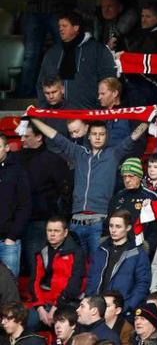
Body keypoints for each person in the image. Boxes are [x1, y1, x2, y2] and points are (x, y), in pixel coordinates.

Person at [30, 116, 148, 258]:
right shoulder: (79, 153)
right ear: (88, 136)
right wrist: (34, 119)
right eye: (94, 134)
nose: (98, 137)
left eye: (102, 134)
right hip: (75, 224)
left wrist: (148, 119)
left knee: (97, 268)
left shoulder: (113, 154)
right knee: (74, 270)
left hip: (99, 224)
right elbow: (55, 136)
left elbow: (133, 137)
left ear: (106, 137)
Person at [37, 12, 117, 110]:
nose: (60, 29)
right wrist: (45, 108)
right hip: (57, 115)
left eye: (64, 26)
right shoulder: (52, 53)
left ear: (76, 28)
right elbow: (41, 83)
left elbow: (110, 81)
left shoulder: (97, 50)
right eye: (59, 26)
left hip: (89, 113)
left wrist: (100, 108)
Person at [20, 122, 69, 276]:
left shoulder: (53, 161)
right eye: (21, 135)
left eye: (26, 136)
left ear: (39, 137)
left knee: (36, 266)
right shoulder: (15, 159)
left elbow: (65, 191)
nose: (22, 139)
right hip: (16, 221)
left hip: (40, 221)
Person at [87, 210, 152, 313]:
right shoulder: (101, 249)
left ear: (128, 228)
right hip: (98, 308)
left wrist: (126, 306)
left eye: (118, 227)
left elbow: (142, 284)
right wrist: (90, 301)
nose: (113, 230)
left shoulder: (137, 252)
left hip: (122, 309)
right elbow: (91, 278)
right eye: (111, 226)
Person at [28, 215, 85, 324]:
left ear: (65, 232)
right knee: (26, 323)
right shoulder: (41, 251)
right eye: (49, 230)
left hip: (67, 302)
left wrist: (56, 307)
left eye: (56, 231)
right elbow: (34, 280)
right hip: (44, 302)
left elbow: (74, 284)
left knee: (63, 325)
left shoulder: (76, 252)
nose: (52, 234)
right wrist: (40, 308)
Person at [0, 132, 30, 277]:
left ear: (6, 147)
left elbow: (25, 206)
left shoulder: (17, 171)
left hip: (8, 241)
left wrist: (12, 236)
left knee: (10, 288)